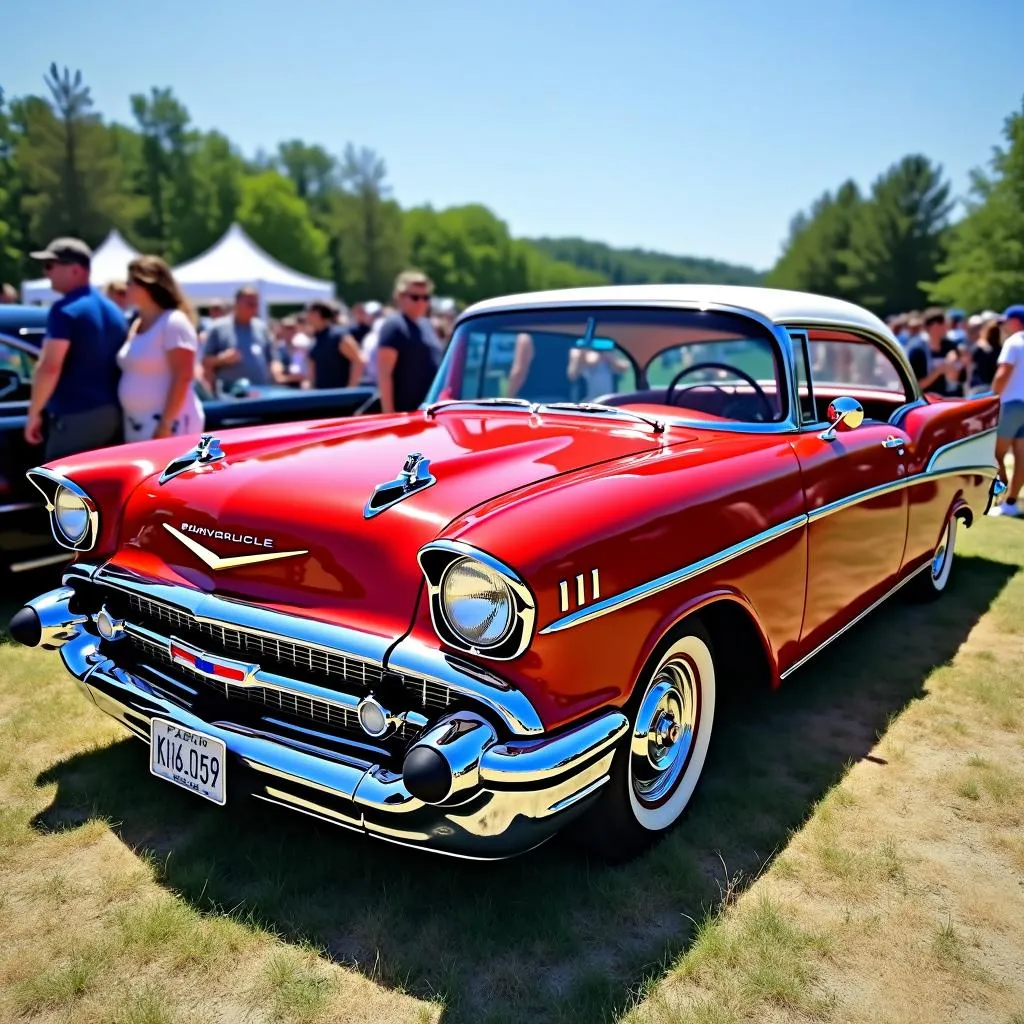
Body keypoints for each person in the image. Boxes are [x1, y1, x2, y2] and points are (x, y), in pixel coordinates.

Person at [24, 237, 125, 460]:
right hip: (112, 413)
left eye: (50, 265)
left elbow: (50, 366)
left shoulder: (65, 310)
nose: (46, 272)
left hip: (75, 414)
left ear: (76, 270)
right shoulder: (114, 311)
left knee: (59, 487)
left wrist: (34, 413)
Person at [117, 255, 205, 442]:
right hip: (137, 424)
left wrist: (165, 424)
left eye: (132, 282)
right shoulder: (137, 323)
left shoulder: (174, 322)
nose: (127, 287)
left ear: (149, 285)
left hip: (171, 426)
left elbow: (183, 376)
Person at [376, 271, 444, 412]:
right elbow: (384, 375)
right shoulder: (394, 326)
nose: (421, 302)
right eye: (415, 297)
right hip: (405, 414)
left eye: (426, 297)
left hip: (430, 412)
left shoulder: (427, 325)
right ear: (400, 297)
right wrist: (389, 416)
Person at [201, 286, 279, 393]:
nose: (254, 307)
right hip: (231, 395)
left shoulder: (261, 328)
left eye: (256, 304)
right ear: (237, 303)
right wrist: (222, 359)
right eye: (249, 304)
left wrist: (276, 369)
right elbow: (205, 362)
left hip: (262, 393)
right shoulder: (219, 328)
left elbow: (271, 359)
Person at [988, 305, 1024, 517]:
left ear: (1016, 322)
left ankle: (1001, 498)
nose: (1003, 326)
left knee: (995, 454)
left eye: (1006, 321)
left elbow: (1003, 374)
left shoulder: (1013, 342)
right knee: (1021, 456)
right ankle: (1011, 501)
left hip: (1010, 404)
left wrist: (992, 397)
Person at [305, 300, 365, 388]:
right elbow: (312, 369)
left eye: (312, 313)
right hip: (320, 395)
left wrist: (351, 389)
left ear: (321, 315)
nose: (308, 317)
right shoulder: (314, 340)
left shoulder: (338, 336)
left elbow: (359, 361)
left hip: (339, 395)